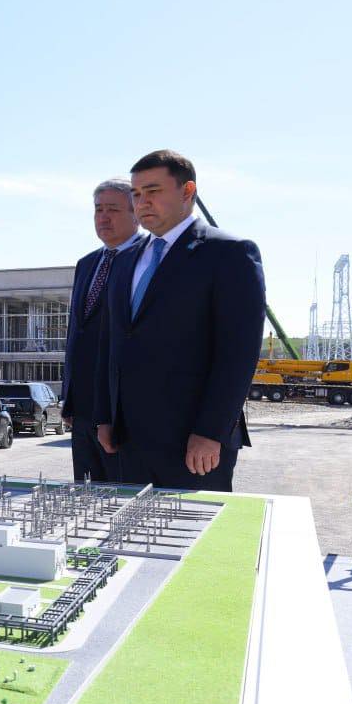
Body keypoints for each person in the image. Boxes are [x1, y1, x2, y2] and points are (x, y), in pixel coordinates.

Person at [94, 151, 266, 491]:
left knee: (193, 525)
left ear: (187, 191)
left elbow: (238, 354)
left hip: (193, 444)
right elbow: (110, 344)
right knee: (131, 526)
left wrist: (211, 432)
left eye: (153, 191)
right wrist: (104, 417)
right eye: (136, 194)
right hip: (128, 440)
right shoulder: (125, 260)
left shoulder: (229, 253)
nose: (142, 202)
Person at [61, 178, 143, 482]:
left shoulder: (147, 260)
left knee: (125, 498)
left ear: (136, 214)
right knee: (87, 496)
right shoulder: (87, 264)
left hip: (123, 412)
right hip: (83, 410)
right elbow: (77, 333)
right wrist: (69, 398)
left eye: (113, 210)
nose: (103, 218)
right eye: (98, 210)